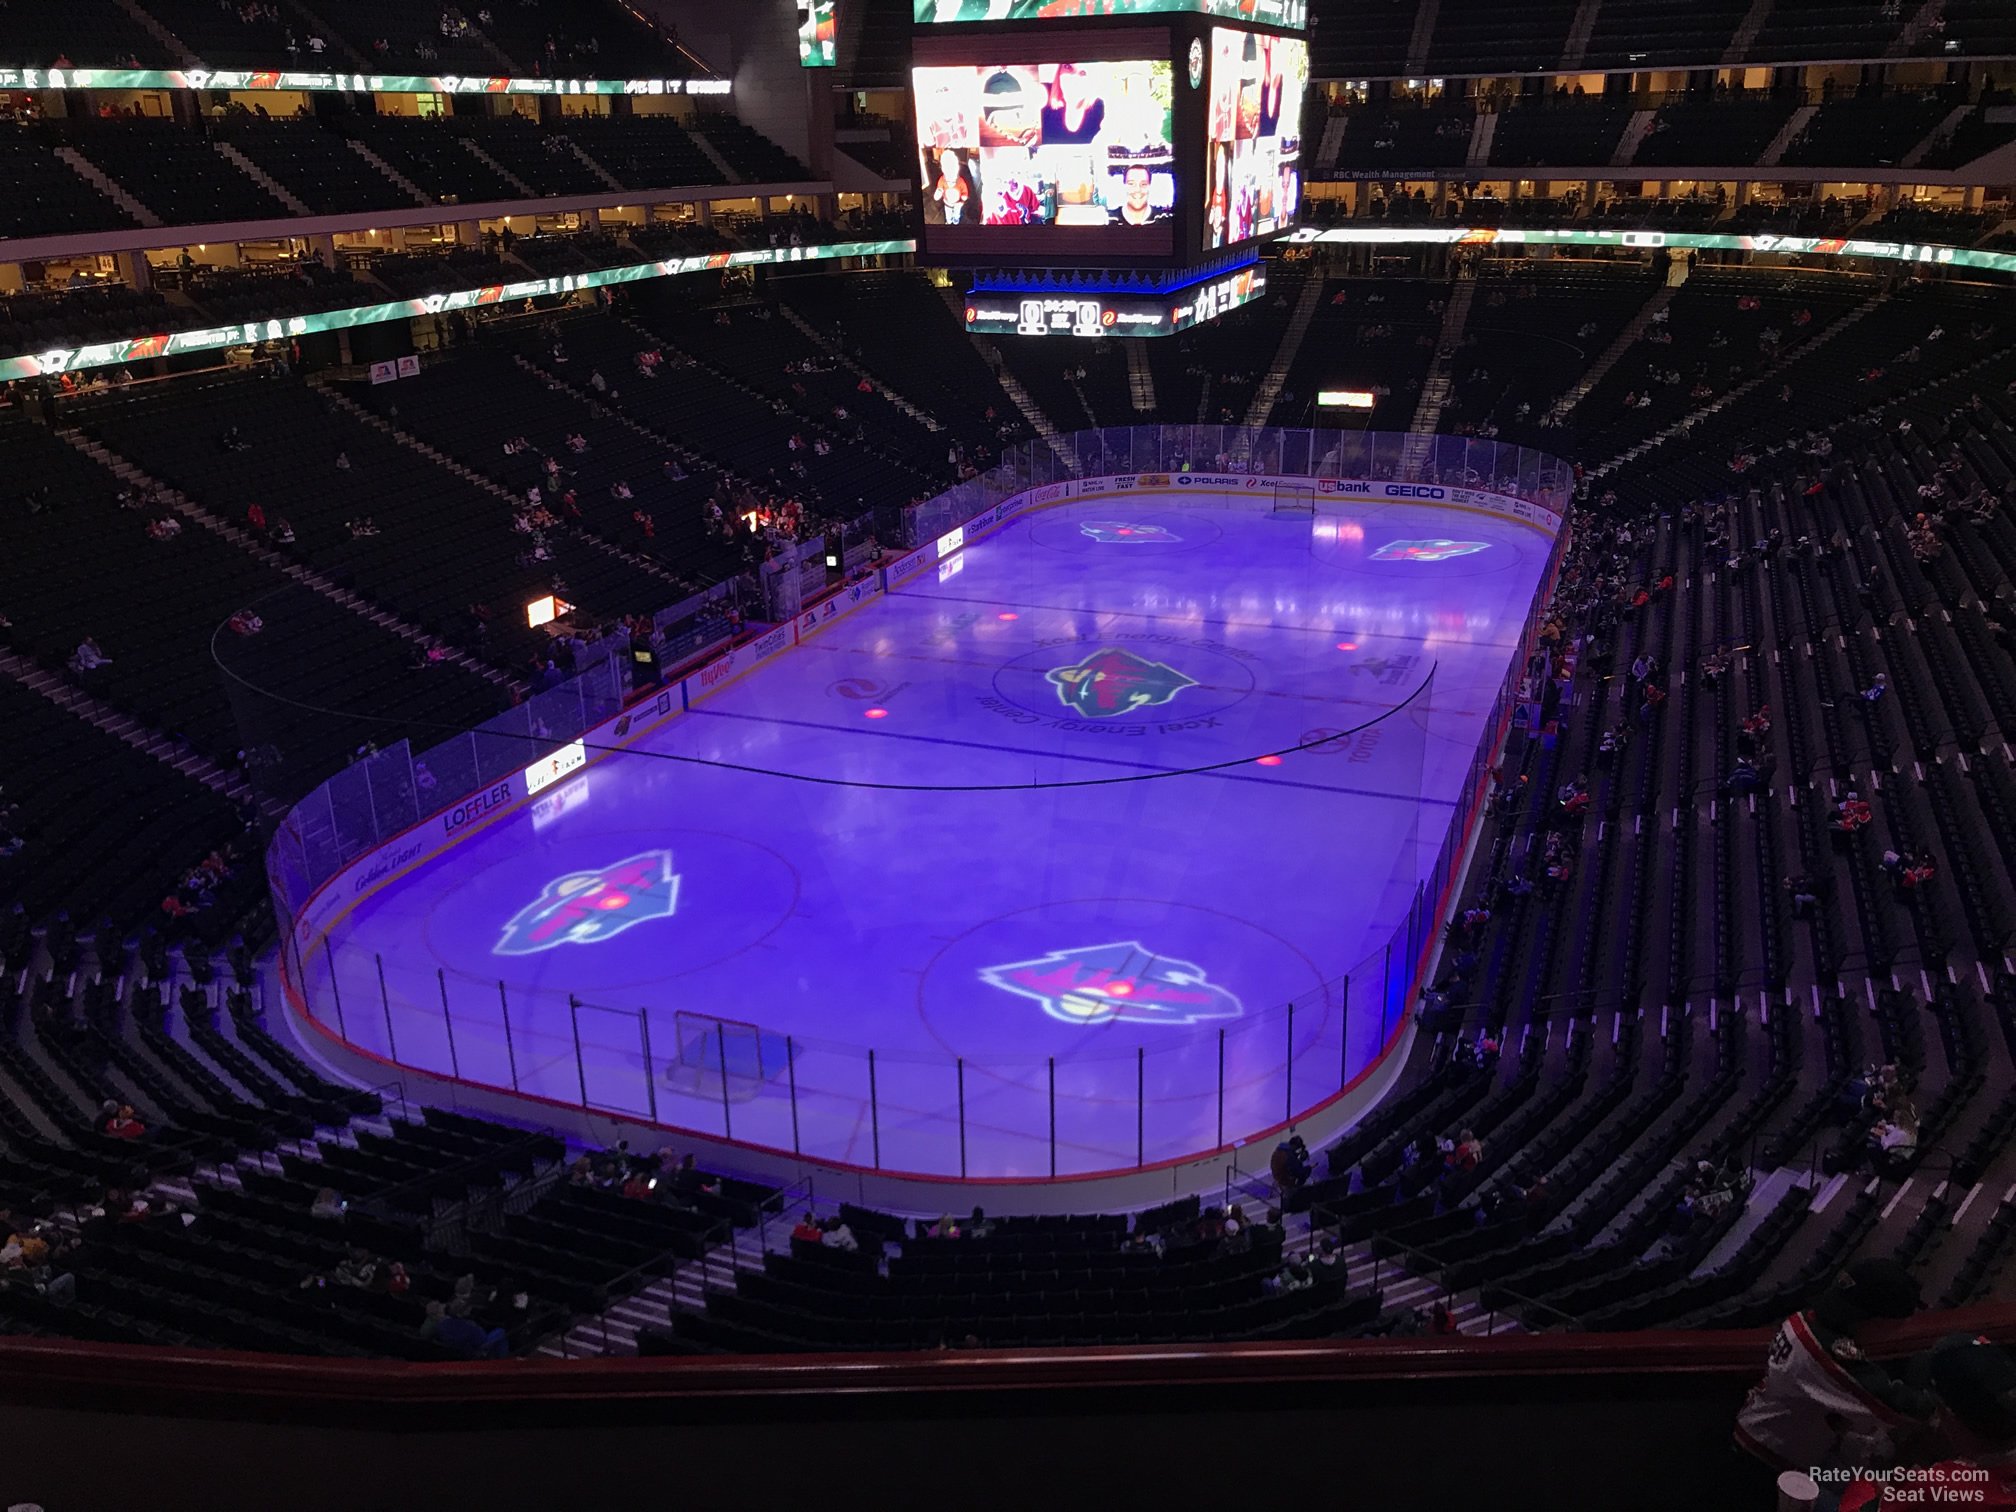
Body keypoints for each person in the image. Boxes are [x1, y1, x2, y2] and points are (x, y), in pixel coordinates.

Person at [1734, 1258, 1934, 1477]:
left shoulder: (1804, 1319)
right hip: (1766, 1458)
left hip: (1765, 1431)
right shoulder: (1825, 1353)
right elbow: (1901, 1407)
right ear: (1876, 1320)